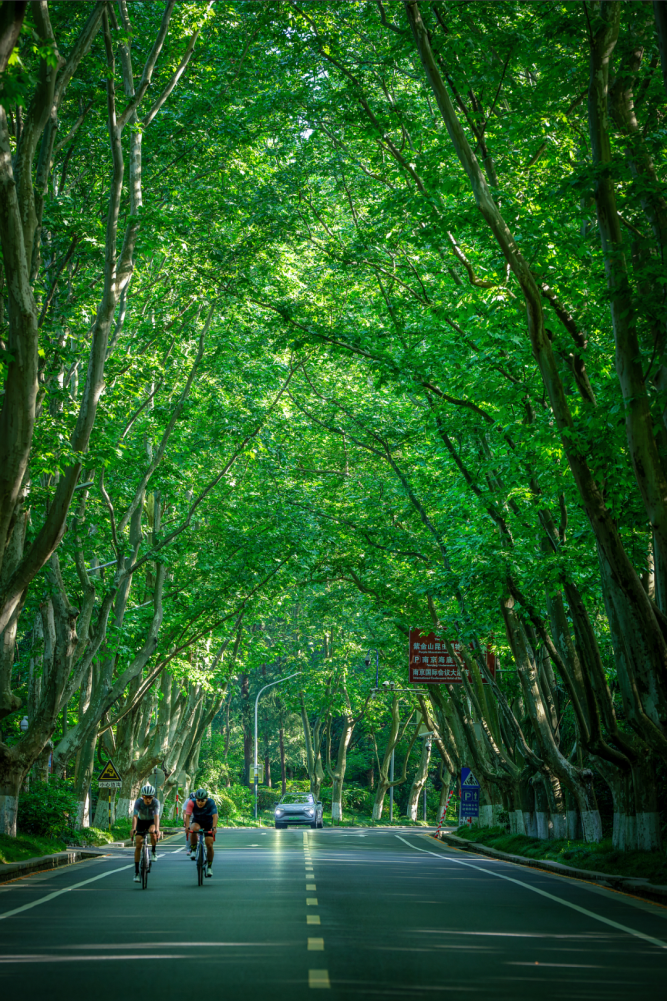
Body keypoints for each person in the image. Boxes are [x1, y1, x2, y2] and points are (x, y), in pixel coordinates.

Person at [184, 788, 218, 877]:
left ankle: (209, 867)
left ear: (206, 799)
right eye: (198, 800)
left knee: (209, 844)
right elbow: (187, 815)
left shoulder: (211, 802)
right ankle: (194, 849)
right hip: (197, 822)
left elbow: (215, 816)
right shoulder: (191, 802)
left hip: (208, 823)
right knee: (193, 828)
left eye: (202, 801)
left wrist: (214, 827)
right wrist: (187, 827)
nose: (199, 803)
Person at [131, 784, 161, 883]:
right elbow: (135, 816)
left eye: (150, 797)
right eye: (145, 797)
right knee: (138, 844)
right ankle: (136, 872)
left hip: (151, 821)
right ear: (142, 796)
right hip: (141, 822)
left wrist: (157, 829)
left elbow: (156, 816)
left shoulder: (156, 802)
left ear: (153, 797)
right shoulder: (138, 802)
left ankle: (153, 851)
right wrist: (133, 828)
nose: (147, 800)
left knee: (152, 832)